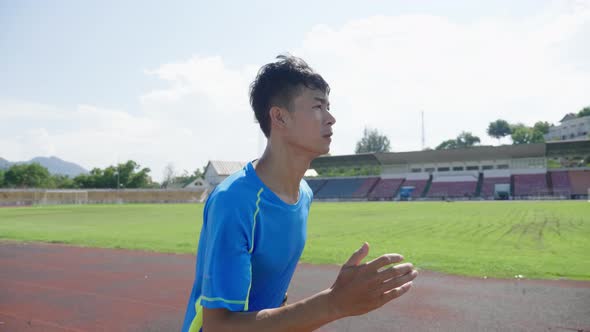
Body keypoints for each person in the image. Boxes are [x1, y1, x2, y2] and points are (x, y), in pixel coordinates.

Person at [181, 54, 418, 332]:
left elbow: (272, 296)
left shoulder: (303, 194)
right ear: (279, 116)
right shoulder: (234, 201)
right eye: (318, 106)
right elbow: (217, 327)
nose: (331, 118)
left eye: (328, 107)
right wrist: (334, 303)